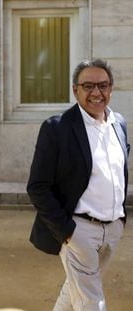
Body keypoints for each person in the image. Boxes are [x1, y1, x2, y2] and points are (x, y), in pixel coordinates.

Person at [27, 59, 130, 311]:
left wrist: (119, 221)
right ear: (76, 90)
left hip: (113, 228)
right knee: (91, 301)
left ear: (111, 88)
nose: (97, 93)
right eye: (88, 86)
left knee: (75, 290)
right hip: (79, 229)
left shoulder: (119, 124)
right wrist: (68, 231)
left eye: (103, 85)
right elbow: (38, 186)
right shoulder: (57, 128)